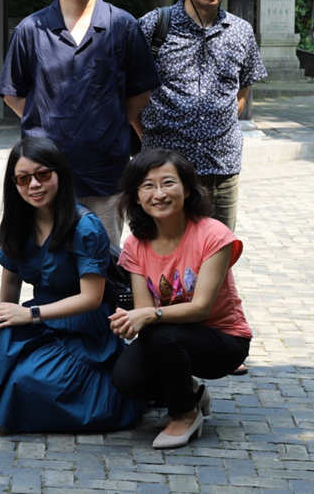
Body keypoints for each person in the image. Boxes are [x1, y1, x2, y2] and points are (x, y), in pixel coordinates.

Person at [0, 0, 160, 246]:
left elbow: (140, 92)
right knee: (48, 260)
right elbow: (13, 93)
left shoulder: (123, 26)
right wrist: (46, 122)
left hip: (105, 172)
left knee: (104, 258)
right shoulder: (30, 30)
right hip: (44, 174)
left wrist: (107, 123)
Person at [0, 137, 146, 432]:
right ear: (14, 183)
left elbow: (91, 298)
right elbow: (11, 279)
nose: (34, 185)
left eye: (43, 174)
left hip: (84, 326)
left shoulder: (85, 226)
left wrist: (29, 314)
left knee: (27, 381)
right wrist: (4, 321)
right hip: (39, 320)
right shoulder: (18, 223)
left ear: (60, 174)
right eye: (23, 178)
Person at [109, 149, 252, 449]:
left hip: (223, 340)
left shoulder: (213, 235)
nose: (159, 194)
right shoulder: (135, 245)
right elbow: (144, 311)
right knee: (127, 379)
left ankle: (185, 414)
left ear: (187, 189)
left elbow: (200, 309)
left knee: (159, 333)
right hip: (170, 336)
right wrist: (129, 320)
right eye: (148, 186)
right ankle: (191, 393)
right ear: (136, 197)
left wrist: (149, 316)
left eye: (168, 183)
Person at [136, 0, 267, 233]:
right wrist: (148, 138)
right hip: (164, 168)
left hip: (221, 165)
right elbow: (129, 90)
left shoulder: (241, 31)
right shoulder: (154, 25)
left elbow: (242, 91)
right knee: (164, 249)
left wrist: (217, 129)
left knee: (218, 248)